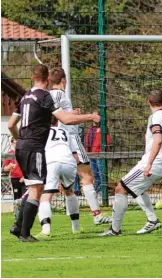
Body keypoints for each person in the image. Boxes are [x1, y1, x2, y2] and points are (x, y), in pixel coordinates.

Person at [8, 64, 100, 242]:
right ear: (47, 79)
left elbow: (11, 124)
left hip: (21, 147)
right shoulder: (45, 96)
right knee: (36, 189)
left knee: (34, 186)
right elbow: (65, 119)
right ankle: (25, 234)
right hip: (34, 146)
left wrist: (18, 139)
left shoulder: (25, 96)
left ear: (32, 78)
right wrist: (89, 116)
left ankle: (19, 226)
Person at [100, 89, 162, 236]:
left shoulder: (155, 117)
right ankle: (152, 220)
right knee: (138, 188)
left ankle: (114, 230)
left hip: (153, 162)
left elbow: (158, 140)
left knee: (120, 189)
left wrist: (150, 163)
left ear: (148, 102)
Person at [48, 68, 111, 225]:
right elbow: (65, 120)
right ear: (64, 80)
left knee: (64, 185)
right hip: (70, 139)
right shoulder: (60, 94)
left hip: (55, 142)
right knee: (87, 176)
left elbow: (59, 117)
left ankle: (70, 222)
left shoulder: (49, 95)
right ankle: (97, 215)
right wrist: (89, 116)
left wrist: (73, 113)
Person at [35, 116, 82, 239]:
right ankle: (76, 228)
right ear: (57, 121)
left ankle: (46, 230)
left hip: (52, 162)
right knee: (69, 192)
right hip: (69, 162)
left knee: (46, 195)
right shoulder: (65, 131)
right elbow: (76, 156)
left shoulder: (41, 131)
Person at [84, 110, 111, 193]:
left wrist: (104, 151)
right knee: (94, 173)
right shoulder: (90, 128)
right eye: (93, 115)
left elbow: (107, 140)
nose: (94, 118)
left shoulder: (103, 128)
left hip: (99, 154)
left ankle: (103, 191)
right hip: (91, 154)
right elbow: (87, 141)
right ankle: (98, 189)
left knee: (101, 173)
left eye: (96, 116)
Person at [3, 137, 26, 215]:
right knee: (16, 197)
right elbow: (5, 169)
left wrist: (24, 176)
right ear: (12, 143)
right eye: (16, 142)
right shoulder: (9, 154)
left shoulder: (23, 152)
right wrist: (9, 166)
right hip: (14, 179)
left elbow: (27, 166)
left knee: (25, 197)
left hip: (24, 178)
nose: (17, 144)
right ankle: (17, 214)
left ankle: (24, 214)